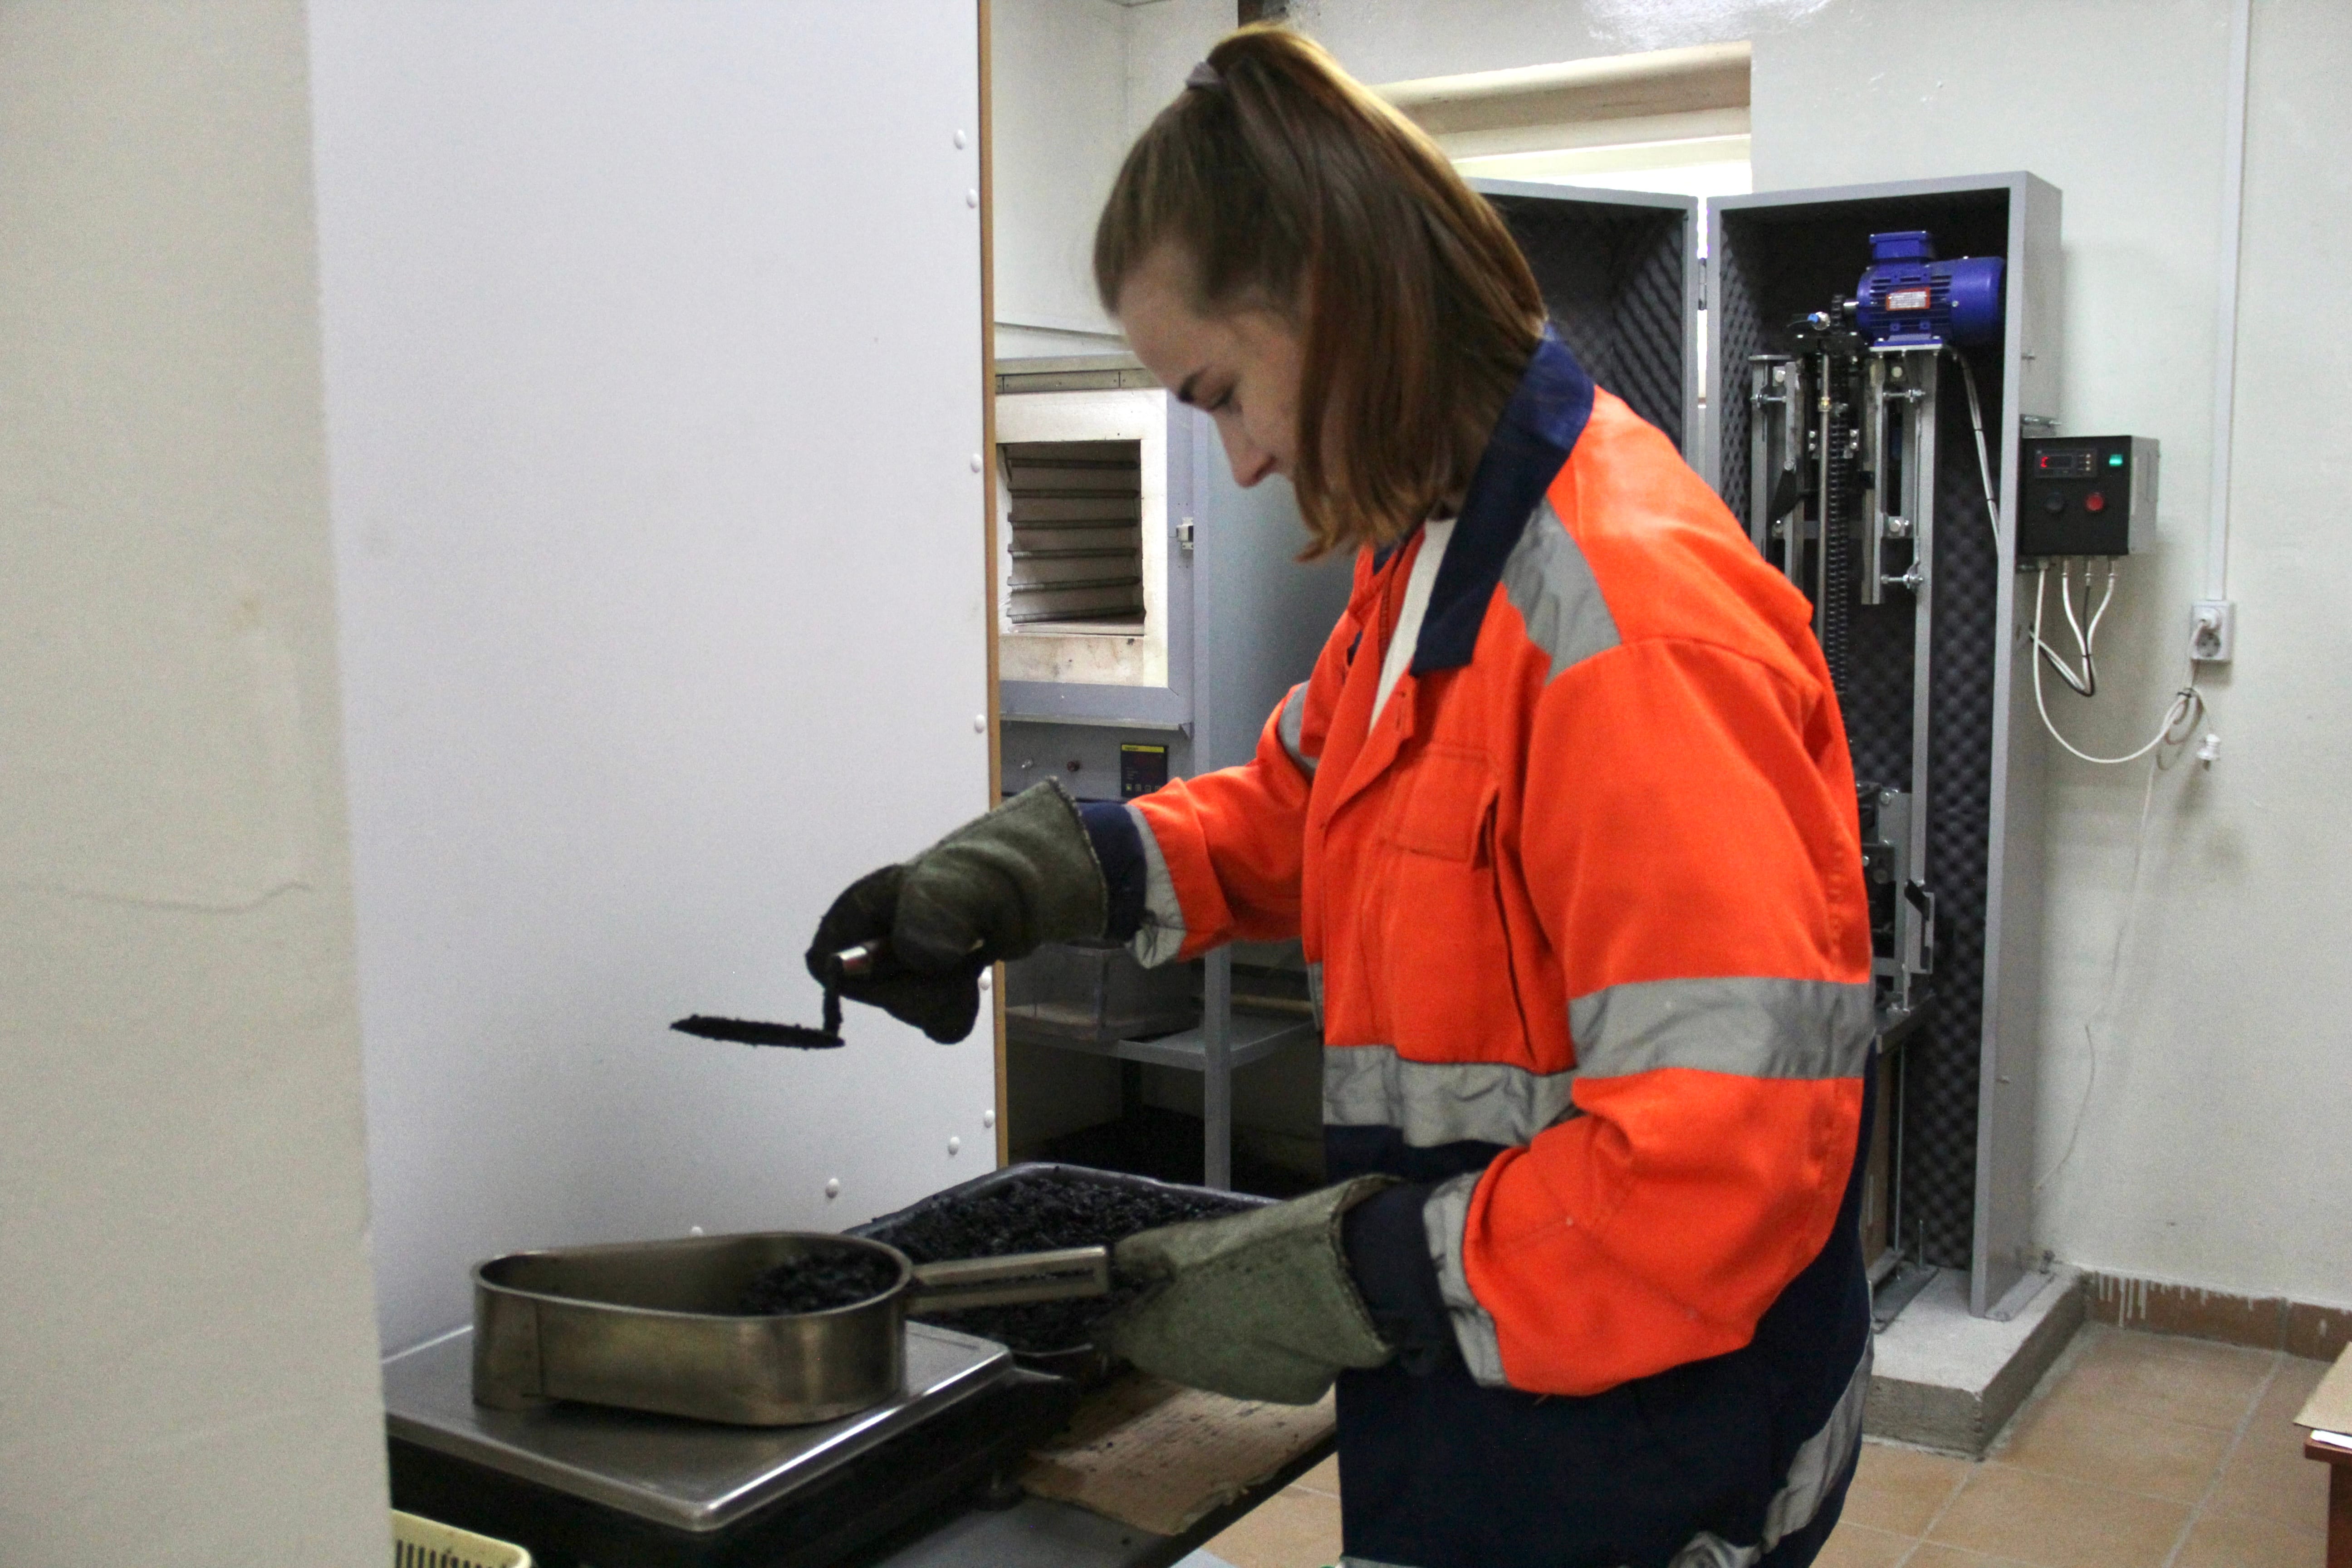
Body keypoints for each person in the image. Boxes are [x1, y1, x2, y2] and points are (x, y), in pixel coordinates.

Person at [810, 26, 1873, 1568]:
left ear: (1335, 293)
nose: (1238, 461)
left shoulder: (1631, 628)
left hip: (1643, 1449)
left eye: (1224, 392)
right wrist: (1052, 872)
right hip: (1492, 1382)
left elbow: (1714, 1174)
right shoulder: (1430, 552)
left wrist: (1359, 1275)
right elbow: (1312, 814)